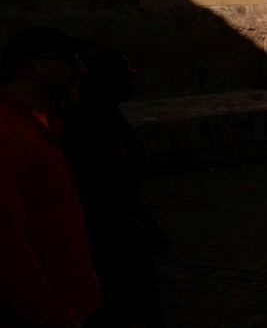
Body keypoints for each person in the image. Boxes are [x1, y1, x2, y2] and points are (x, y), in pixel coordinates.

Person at [0, 27, 100, 327]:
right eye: (70, 59)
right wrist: (55, 316)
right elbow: (9, 249)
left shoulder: (38, 127)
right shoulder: (12, 140)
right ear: (32, 67)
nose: (81, 69)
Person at [62, 50, 168, 328]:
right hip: (111, 228)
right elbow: (110, 183)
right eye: (128, 75)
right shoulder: (101, 124)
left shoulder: (100, 117)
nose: (134, 80)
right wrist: (146, 222)